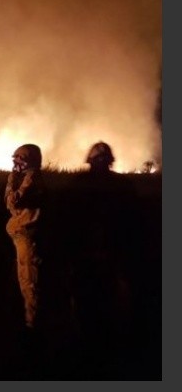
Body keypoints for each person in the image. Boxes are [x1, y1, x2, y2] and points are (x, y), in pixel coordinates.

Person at [65, 141, 140, 376]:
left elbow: (133, 223)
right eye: (98, 159)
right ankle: (93, 348)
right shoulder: (85, 185)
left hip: (108, 258)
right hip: (89, 258)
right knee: (88, 304)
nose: (100, 163)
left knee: (106, 303)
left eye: (102, 159)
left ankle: (102, 350)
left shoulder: (114, 186)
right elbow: (67, 222)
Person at [4, 143, 46, 333]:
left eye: (20, 159)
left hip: (27, 237)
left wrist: (11, 180)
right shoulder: (27, 177)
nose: (16, 163)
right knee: (23, 280)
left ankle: (33, 327)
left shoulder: (32, 179)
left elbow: (14, 202)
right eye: (16, 159)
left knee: (29, 283)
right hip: (22, 236)